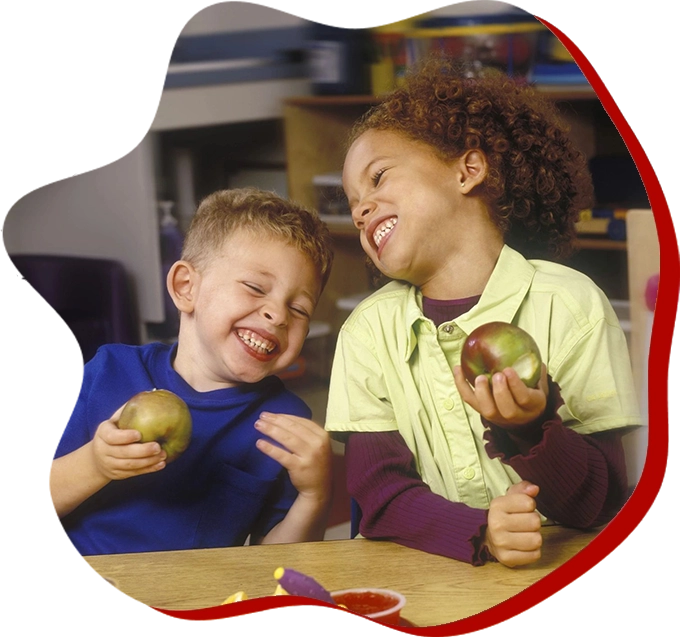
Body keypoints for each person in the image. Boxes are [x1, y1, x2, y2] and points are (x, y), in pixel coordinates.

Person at [325, 56, 640, 568]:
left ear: (467, 170)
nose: (360, 209)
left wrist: (533, 425)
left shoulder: (571, 304)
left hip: (561, 573)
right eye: (353, 202)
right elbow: (378, 497)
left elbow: (599, 504)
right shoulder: (366, 332)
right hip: (426, 575)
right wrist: (481, 534)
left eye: (378, 177)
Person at [48, 188, 335, 556]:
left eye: (299, 309)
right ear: (186, 288)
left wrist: (315, 495)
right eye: (255, 287)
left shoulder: (285, 422)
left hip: (195, 605)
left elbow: (278, 566)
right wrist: (96, 463)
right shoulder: (110, 370)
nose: (278, 315)